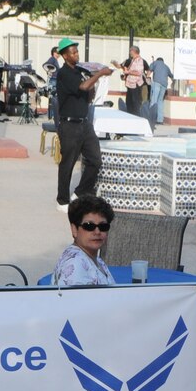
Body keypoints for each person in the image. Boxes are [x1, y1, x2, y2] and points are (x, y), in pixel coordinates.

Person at [53, 37, 112, 207]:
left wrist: (94, 80)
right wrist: (100, 73)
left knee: (95, 160)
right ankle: (62, 201)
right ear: (65, 56)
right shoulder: (64, 73)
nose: (76, 55)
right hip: (69, 125)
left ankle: (79, 192)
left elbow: (88, 95)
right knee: (68, 164)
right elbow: (82, 87)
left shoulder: (79, 71)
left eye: (77, 51)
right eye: (73, 52)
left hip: (84, 124)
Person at [52, 195, 116, 286]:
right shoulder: (75, 264)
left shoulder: (94, 258)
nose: (97, 232)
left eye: (103, 226)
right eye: (89, 226)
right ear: (74, 229)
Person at [119, 45, 147, 117]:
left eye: (130, 51)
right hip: (130, 85)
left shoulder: (139, 60)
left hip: (136, 85)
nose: (129, 52)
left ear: (134, 51)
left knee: (135, 103)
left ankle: (136, 117)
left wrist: (128, 72)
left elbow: (139, 72)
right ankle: (130, 116)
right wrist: (125, 75)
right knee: (129, 102)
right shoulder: (132, 60)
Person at [147, 56, 173, 125]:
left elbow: (149, 71)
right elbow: (171, 76)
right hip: (164, 85)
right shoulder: (166, 66)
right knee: (160, 101)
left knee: (154, 100)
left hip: (157, 83)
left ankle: (150, 118)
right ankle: (160, 120)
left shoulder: (155, 63)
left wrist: (147, 78)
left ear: (157, 60)